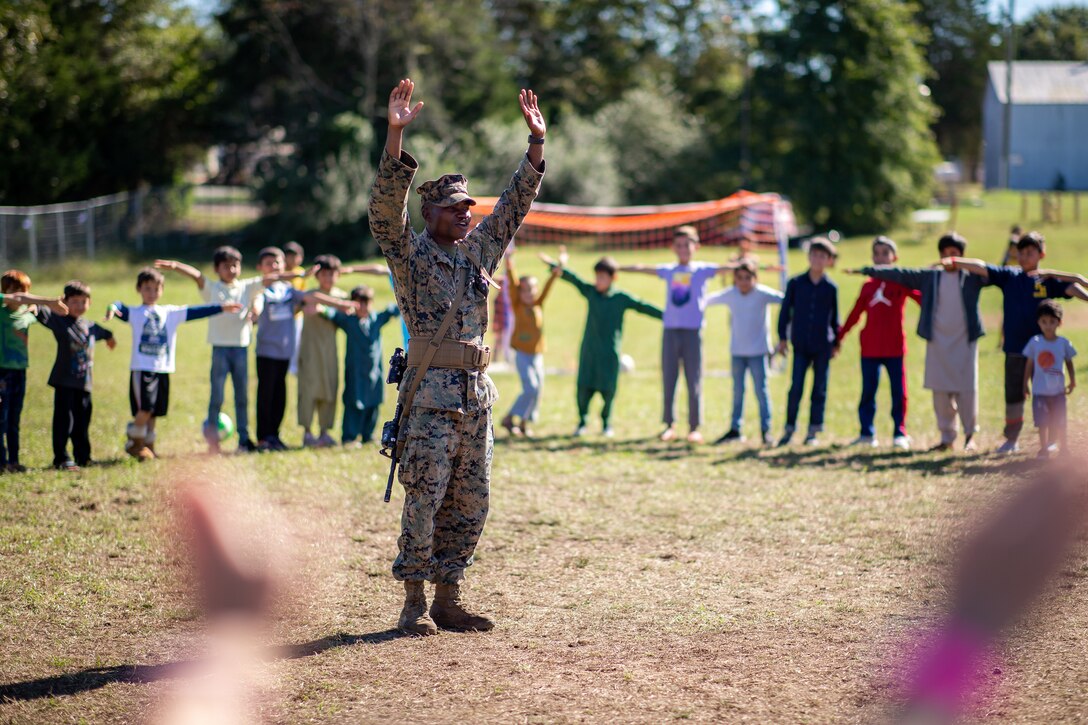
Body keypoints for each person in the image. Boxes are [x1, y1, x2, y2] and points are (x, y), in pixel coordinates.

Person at [369, 78, 545, 635]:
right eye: (454, 208)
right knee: (425, 495)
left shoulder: (478, 253)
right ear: (430, 212)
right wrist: (395, 137)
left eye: (468, 206)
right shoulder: (410, 255)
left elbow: (515, 205)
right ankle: (414, 603)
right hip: (429, 401)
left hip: (476, 401)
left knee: (471, 501)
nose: (466, 214)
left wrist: (535, 147)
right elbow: (383, 212)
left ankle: (450, 596)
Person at [941, 231, 1086, 454]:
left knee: (1047, 395)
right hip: (1015, 349)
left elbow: (1072, 288)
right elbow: (981, 266)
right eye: (1021, 253)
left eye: (1030, 252)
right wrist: (955, 261)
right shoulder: (1009, 276)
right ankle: (1012, 439)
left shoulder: (1047, 280)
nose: (1025, 256)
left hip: (1043, 351)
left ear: (1041, 254)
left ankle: (1051, 440)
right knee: (1013, 396)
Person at [858, 233, 988, 452]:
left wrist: (958, 263)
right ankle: (947, 437)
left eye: (954, 254)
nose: (949, 258)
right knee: (940, 391)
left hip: (964, 341)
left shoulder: (972, 277)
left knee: (967, 390)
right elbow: (901, 274)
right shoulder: (931, 277)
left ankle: (969, 436)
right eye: (945, 254)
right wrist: (869, 270)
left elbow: (985, 268)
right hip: (938, 341)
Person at [107, 268, 241, 461]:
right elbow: (119, 306)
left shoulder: (169, 313)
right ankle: (134, 442)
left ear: (161, 290)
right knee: (144, 409)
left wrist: (221, 307)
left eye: (155, 289)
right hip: (143, 369)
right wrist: (112, 307)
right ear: (139, 289)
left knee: (154, 412)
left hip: (163, 368)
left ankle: (149, 447)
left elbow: (196, 311)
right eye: (147, 289)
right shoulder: (136, 313)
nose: (151, 293)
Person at [619, 225, 724, 444]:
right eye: (679, 245)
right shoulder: (668, 270)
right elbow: (642, 268)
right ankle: (669, 425)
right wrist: (618, 267)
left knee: (693, 380)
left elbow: (729, 268)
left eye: (687, 245)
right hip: (670, 332)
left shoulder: (702, 270)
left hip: (693, 333)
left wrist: (751, 263)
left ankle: (694, 427)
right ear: (672, 248)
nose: (683, 249)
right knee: (669, 379)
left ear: (696, 247)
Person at [155, 248, 265, 455]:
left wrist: (255, 312)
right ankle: (213, 442)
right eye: (226, 266)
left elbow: (263, 289)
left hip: (241, 348)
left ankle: (244, 438)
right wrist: (175, 266)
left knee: (242, 397)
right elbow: (196, 275)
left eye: (235, 265)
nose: (231, 270)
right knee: (217, 396)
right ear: (217, 269)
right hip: (220, 349)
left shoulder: (247, 286)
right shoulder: (212, 288)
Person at [544, 247, 663, 437]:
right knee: (583, 389)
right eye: (596, 276)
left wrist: (668, 316)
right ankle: (582, 421)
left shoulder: (620, 298)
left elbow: (643, 306)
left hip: (610, 354)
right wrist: (554, 266)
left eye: (602, 277)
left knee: (608, 391)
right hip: (589, 352)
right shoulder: (590, 292)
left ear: (613, 278)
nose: (598, 281)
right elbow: (574, 279)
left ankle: (607, 424)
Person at [251, 247, 352, 452]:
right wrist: (254, 313)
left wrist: (341, 304)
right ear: (260, 267)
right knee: (266, 394)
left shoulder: (289, 291)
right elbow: (257, 303)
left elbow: (313, 299)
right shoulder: (259, 288)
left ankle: (275, 436)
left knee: (280, 395)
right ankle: (263, 438)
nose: (274, 267)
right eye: (269, 263)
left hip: (284, 352)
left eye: (277, 262)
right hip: (266, 351)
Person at [837, 237, 921, 450]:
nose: (880, 257)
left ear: (895, 257)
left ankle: (899, 433)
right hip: (870, 349)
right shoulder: (868, 285)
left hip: (894, 348)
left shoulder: (902, 282)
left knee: (898, 392)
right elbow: (855, 313)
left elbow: (923, 299)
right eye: (877, 253)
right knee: (868, 391)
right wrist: (840, 336)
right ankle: (866, 433)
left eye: (885, 253)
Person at [38, 281, 115, 470]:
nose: (79, 306)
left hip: (84, 383)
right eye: (74, 301)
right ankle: (62, 458)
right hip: (64, 381)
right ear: (65, 301)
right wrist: (49, 303)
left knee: (82, 422)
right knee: (64, 421)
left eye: (83, 301)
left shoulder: (89, 325)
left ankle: (83, 457)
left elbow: (105, 332)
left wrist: (111, 338)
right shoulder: (58, 319)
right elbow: (36, 309)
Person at [706, 260, 784, 445]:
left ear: (755, 278)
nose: (743, 282)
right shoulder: (731, 294)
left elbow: (786, 300)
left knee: (761, 391)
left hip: (758, 352)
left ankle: (766, 431)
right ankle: (735, 429)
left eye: (748, 278)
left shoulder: (762, 294)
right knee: (737, 391)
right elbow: (707, 300)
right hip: (738, 353)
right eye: (739, 278)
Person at [0, 270, 68, 472]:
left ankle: (13, 461)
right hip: (1, 373)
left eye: (24, 291)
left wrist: (43, 307)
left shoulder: (29, 315)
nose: (20, 296)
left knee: (14, 418)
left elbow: (61, 314)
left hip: (20, 373)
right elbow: (17, 299)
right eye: (15, 291)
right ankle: (1, 462)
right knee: (0, 419)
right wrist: (48, 301)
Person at [776, 237, 840, 446]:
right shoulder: (795, 283)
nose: (817, 260)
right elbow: (785, 312)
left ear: (829, 260)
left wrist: (836, 342)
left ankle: (813, 430)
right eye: (814, 255)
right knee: (796, 388)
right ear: (808, 256)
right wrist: (782, 338)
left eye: (822, 256)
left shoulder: (831, 287)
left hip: (823, 344)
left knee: (819, 388)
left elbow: (834, 318)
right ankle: (789, 428)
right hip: (801, 343)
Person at [328, 285, 400, 446]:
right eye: (359, 303)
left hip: (374, 371)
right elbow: (329, 312)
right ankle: (349, 436)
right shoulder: (348, 321)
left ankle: (368, 434)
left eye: (366, 302)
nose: (363, 307)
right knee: (353, 401)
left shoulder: (377, 319)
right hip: (355, 369)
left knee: (373, 400)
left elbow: (395, 309)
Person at [499, 248, 560, 438]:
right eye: (525, 289)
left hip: (537, 354)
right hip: (523, 354)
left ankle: (524, 423)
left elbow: (550, 285)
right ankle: (509, 418)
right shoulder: (517, 305)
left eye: (532, 289)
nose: (529, 293)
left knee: (537, 389)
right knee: (530, 388)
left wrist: (558, 268)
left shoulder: (538, 304)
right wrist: (509, 261)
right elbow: (512, 280)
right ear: (519, 291)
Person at [297, 254, 350, 448]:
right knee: (308, 389)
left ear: (338, 275)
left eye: (332, 274)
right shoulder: (309, 295)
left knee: (330, 388)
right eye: (324, 274)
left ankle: (324, 431)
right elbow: (298, 304)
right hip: (309, 350)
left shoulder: (342, 296)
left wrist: (326, 310)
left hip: (330, 351)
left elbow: (348, 316)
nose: (328, 278)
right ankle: (307, 432)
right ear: (317, 276)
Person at [1022, 300, 1076, 458]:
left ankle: (1064, 448)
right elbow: (1029, 365)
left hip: (1058, 392)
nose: (1048, 326)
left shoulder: (1063, 343)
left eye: (1052, 322)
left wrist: (1072, 380)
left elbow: (1069, 362)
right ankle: (1043, 448)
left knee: (1061, 421)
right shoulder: (1035, 343)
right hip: (1040, 391)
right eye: (1044, 322)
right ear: (1038, 322)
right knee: (1042, 422)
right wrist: (1025, 383)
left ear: (1059, 323)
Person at [284, 241, 308, 377]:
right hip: (282, 314)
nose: (292, 259)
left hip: (297, 315)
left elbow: (303, 294)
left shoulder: (301, 273)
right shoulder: (281, 272)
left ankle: (293, 367)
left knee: (296, 341)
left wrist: (299, 308)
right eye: (289, 256)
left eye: (295, 256)